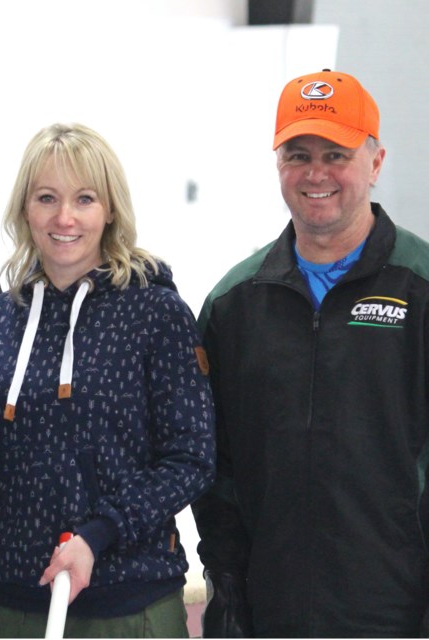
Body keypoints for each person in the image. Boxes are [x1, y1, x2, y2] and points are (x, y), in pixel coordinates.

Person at [191, 69, 429, 637]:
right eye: (298, 154)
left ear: (376, 162)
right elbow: (211, 465)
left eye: (336, 154)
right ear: (278, 166)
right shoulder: (234, 304)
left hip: (395, 612)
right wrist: (226, 584)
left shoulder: (419, 290)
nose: (316, 173)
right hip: (271, 611)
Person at [0, 123, 215, 638]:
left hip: (125, 602)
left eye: (84, 199)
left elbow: (191, 458)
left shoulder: (155, 312)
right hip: (7, 602)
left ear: (110, 210)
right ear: (24, 208)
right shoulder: (1, 318)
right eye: (46, 198)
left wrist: (98, 534)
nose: (64, 218)